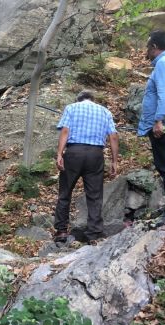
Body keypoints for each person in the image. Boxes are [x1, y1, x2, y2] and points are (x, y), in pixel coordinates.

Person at [53, 90, 118, 243]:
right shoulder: (104, 111)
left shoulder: (71, 108)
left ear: (79, 99)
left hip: (74, 152)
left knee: (65, 192)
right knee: (94, 195)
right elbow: (113, 136)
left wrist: (59, 154)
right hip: (95, 154)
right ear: (92, 99)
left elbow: (65, 130)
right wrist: (114, 161)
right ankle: (94, 233)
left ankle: (61, 231)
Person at [138, 30, 165, 227]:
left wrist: (159, 120)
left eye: (148, 47)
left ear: (154, 47)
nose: (146, 51)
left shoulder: (164, 63)